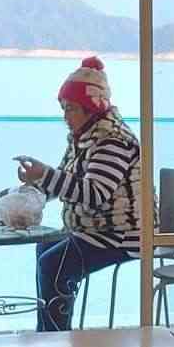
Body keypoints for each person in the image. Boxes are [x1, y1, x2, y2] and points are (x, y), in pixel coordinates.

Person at [14, 56, 144, 331]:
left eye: (71, 109)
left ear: (91, 108)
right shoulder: (84, 137)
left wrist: (44, 175)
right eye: (63, 108)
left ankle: (55, 337)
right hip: (95, 229)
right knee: (45, 248)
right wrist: (27, 190)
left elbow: (94, 194)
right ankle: (49, 332)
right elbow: (63, 180)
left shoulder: (112, 141)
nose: (65, 117)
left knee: (54, 264)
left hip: (122, 234)